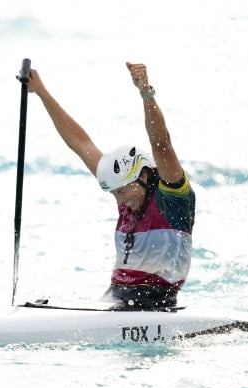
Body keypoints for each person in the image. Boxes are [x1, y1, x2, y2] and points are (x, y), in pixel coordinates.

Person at [26, 62, 195, 310]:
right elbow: (81, 143)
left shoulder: (173, 198)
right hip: (115, 298)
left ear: (144, 177)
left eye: (122, 191)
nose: (118, 200)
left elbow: (162, 143)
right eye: (114, 193)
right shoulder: (123, 185)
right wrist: (41, 92)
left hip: (155, 303)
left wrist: (146, 92)